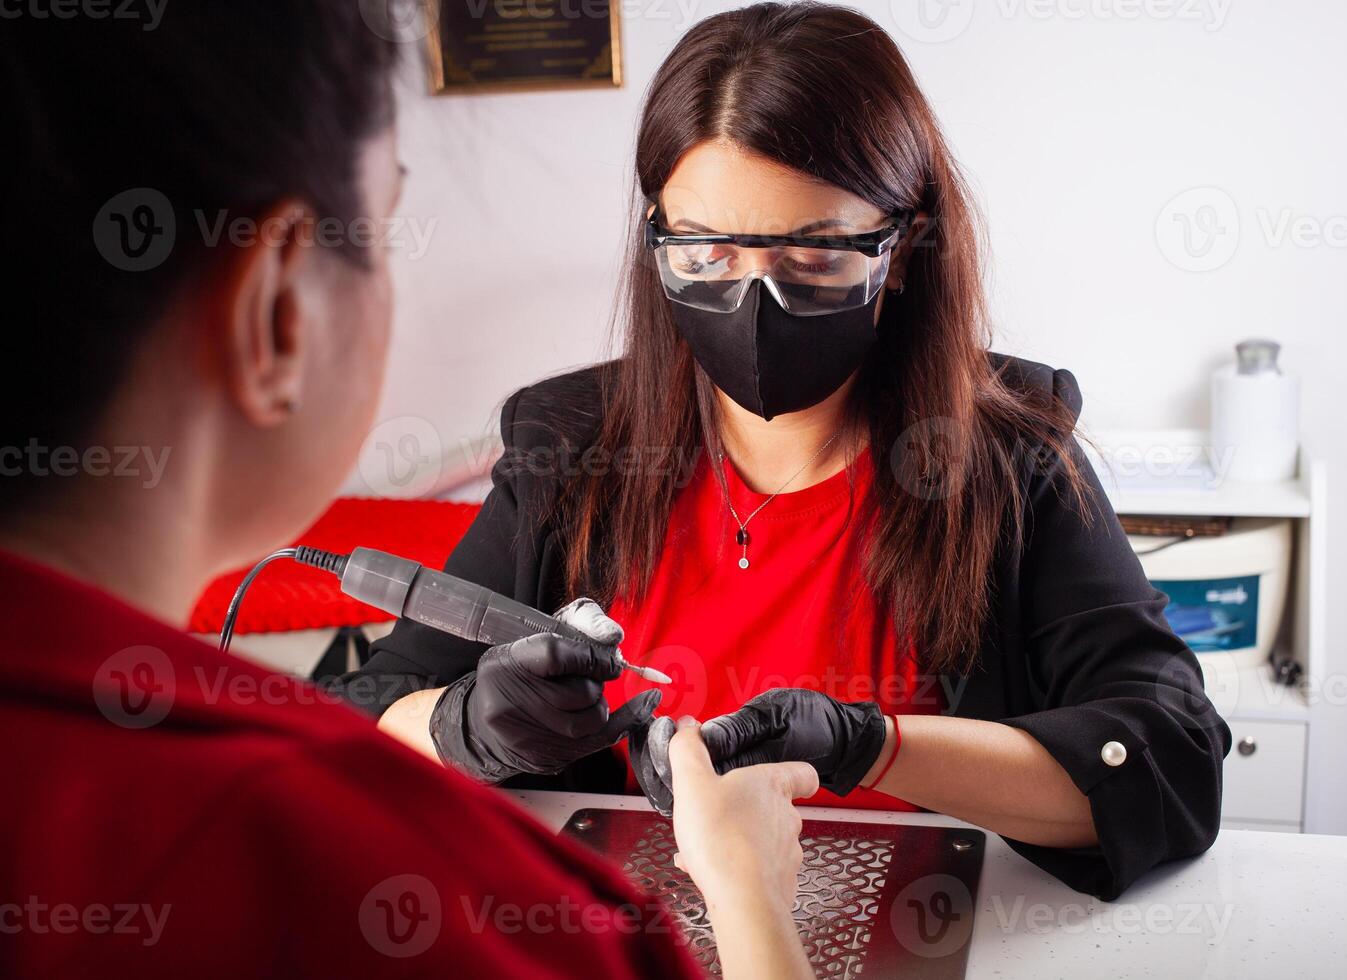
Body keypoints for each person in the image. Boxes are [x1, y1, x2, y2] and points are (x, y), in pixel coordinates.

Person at [0, 5, 817, 978]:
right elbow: (373, 701)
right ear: (278, 308)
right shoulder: (458, 901)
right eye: (381, 225)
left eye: (813, 257)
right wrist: (755, 898)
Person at [356, 1, 1232, 902]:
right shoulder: (571, 445)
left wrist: (870, 746)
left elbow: (1172, 760)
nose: (754, 303)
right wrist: (471, 727)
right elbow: (366, 709)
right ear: (657, 232)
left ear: (905, 245)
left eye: (817, 257)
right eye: (704, 254)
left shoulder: (1009, 460)